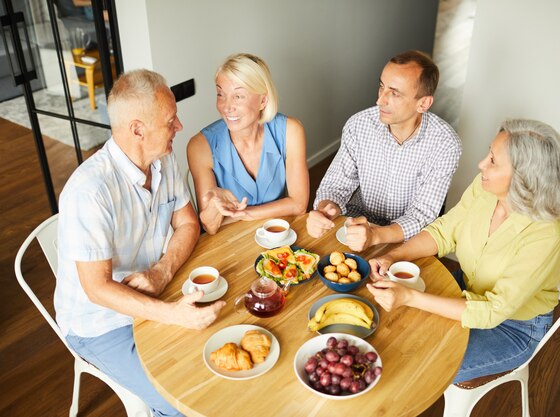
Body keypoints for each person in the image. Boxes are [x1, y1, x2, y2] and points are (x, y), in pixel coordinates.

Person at [54, 69, 226, 417]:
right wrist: (173, 315)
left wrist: (162, 272)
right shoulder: (90, 191)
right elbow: (98, 289)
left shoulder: (162, 160)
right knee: (181, 400)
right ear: (137, 129)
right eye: (171, 120)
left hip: (158, 289)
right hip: (101, 322)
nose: (179, 127)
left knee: (218, 365)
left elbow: (188, 222)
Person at [366, 119, 560, 384]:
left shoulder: (545, 234)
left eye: (493, 161)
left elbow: (492, 310)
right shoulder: (485, 187)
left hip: (513, 326)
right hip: (465, 289)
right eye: (488, 154)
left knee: (419, 367)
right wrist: (394, 255)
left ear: (523, 177)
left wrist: (410, 297)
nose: (481, 165)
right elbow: (444, 231)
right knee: (391, 330)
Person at [306, 50, 462, 252]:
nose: (380, 100)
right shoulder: (358, 125)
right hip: (355, 225)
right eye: (382, 86)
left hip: (407, 238)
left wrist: (377, 235)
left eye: (394, 93)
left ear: (423, 103)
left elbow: (422, 214)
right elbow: (336, 184)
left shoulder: (445, 144)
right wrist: (326, 209)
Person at [187, 53, 309, 235]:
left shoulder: (291, 131)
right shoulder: (199, 146)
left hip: (276, 233)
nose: (226, 106)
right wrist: (214, 207)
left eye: (238, 96)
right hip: (229, 242)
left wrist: (243, 214)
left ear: (263, 100)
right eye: (221, 94)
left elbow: (299, 205)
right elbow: (211, 227)